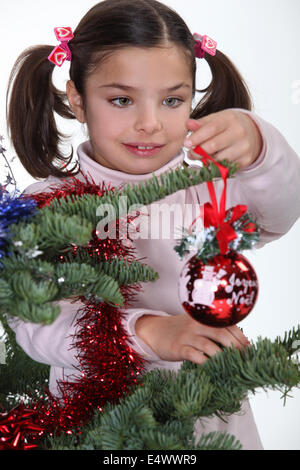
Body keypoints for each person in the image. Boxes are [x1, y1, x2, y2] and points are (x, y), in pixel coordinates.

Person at [5, 0, 300, 450]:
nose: (149, 123)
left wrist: (262, 147)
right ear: (78, 99)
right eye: (121, 99)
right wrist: (147, 331)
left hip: (211, 419)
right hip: (98, 424)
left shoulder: (209, 184)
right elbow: (35, 322)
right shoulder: (45, 206)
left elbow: (280, 212)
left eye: (172, 100)